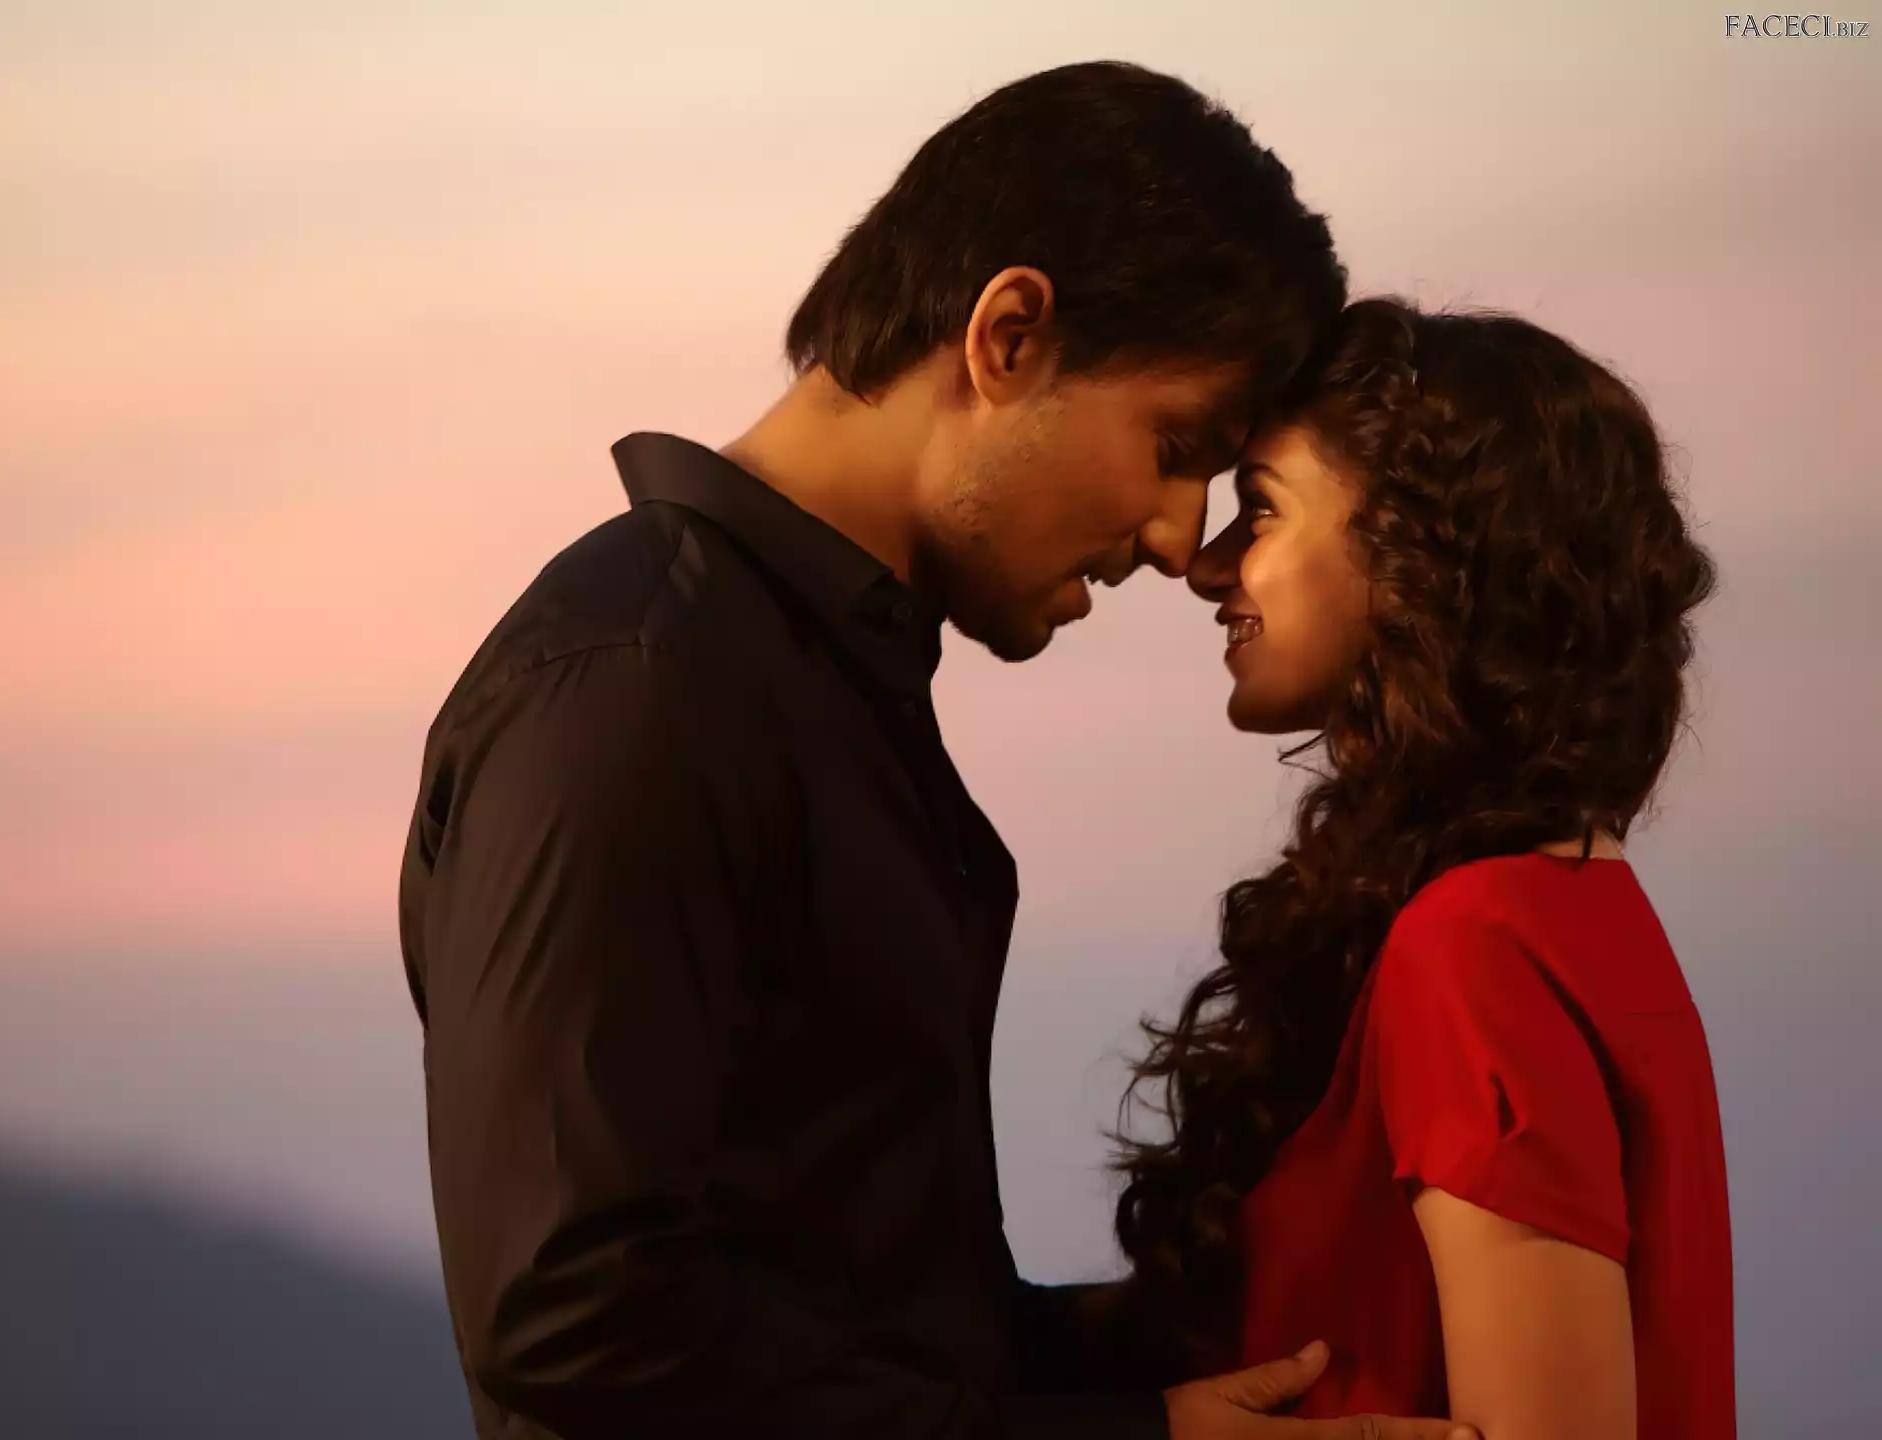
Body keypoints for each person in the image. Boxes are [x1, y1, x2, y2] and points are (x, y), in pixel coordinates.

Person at [397, 62, 1476, 1440]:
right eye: (1175, 444)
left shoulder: (808, 686)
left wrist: (1197, 1347)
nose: (1175, 537)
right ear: (1008, 338)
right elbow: (577, 1320)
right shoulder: (639, 686)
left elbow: (864, 1323)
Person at [1115, 299, 1733, 1438]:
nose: (1207, 567)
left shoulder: (1475, 948)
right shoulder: (1575, 908)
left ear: (1417, 553)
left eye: (1261, 507)